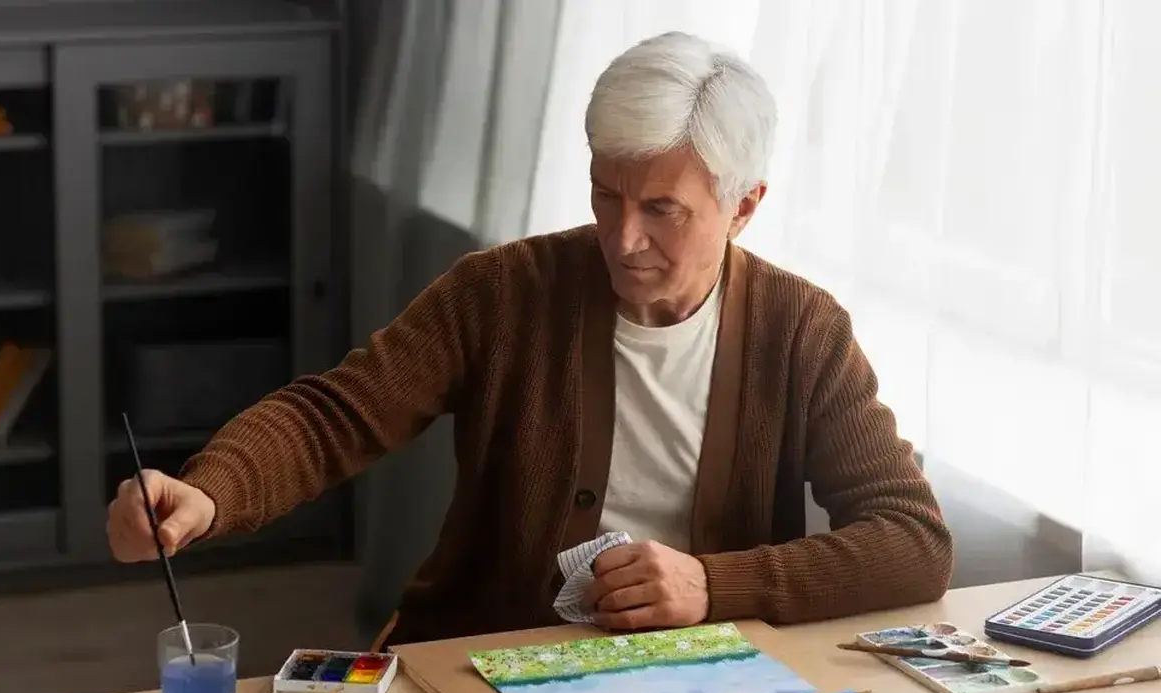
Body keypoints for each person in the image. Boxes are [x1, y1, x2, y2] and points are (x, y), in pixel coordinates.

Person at [105, 31, 953, 647]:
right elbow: (340, 412)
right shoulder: (503, 291)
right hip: (483, 653)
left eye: (662, 209)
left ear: (744, 206)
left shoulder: (802, 330)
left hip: (704, 673)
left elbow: (911, 540)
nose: (623, 238)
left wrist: (712, 584)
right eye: (606, 194)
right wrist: (210, 491)